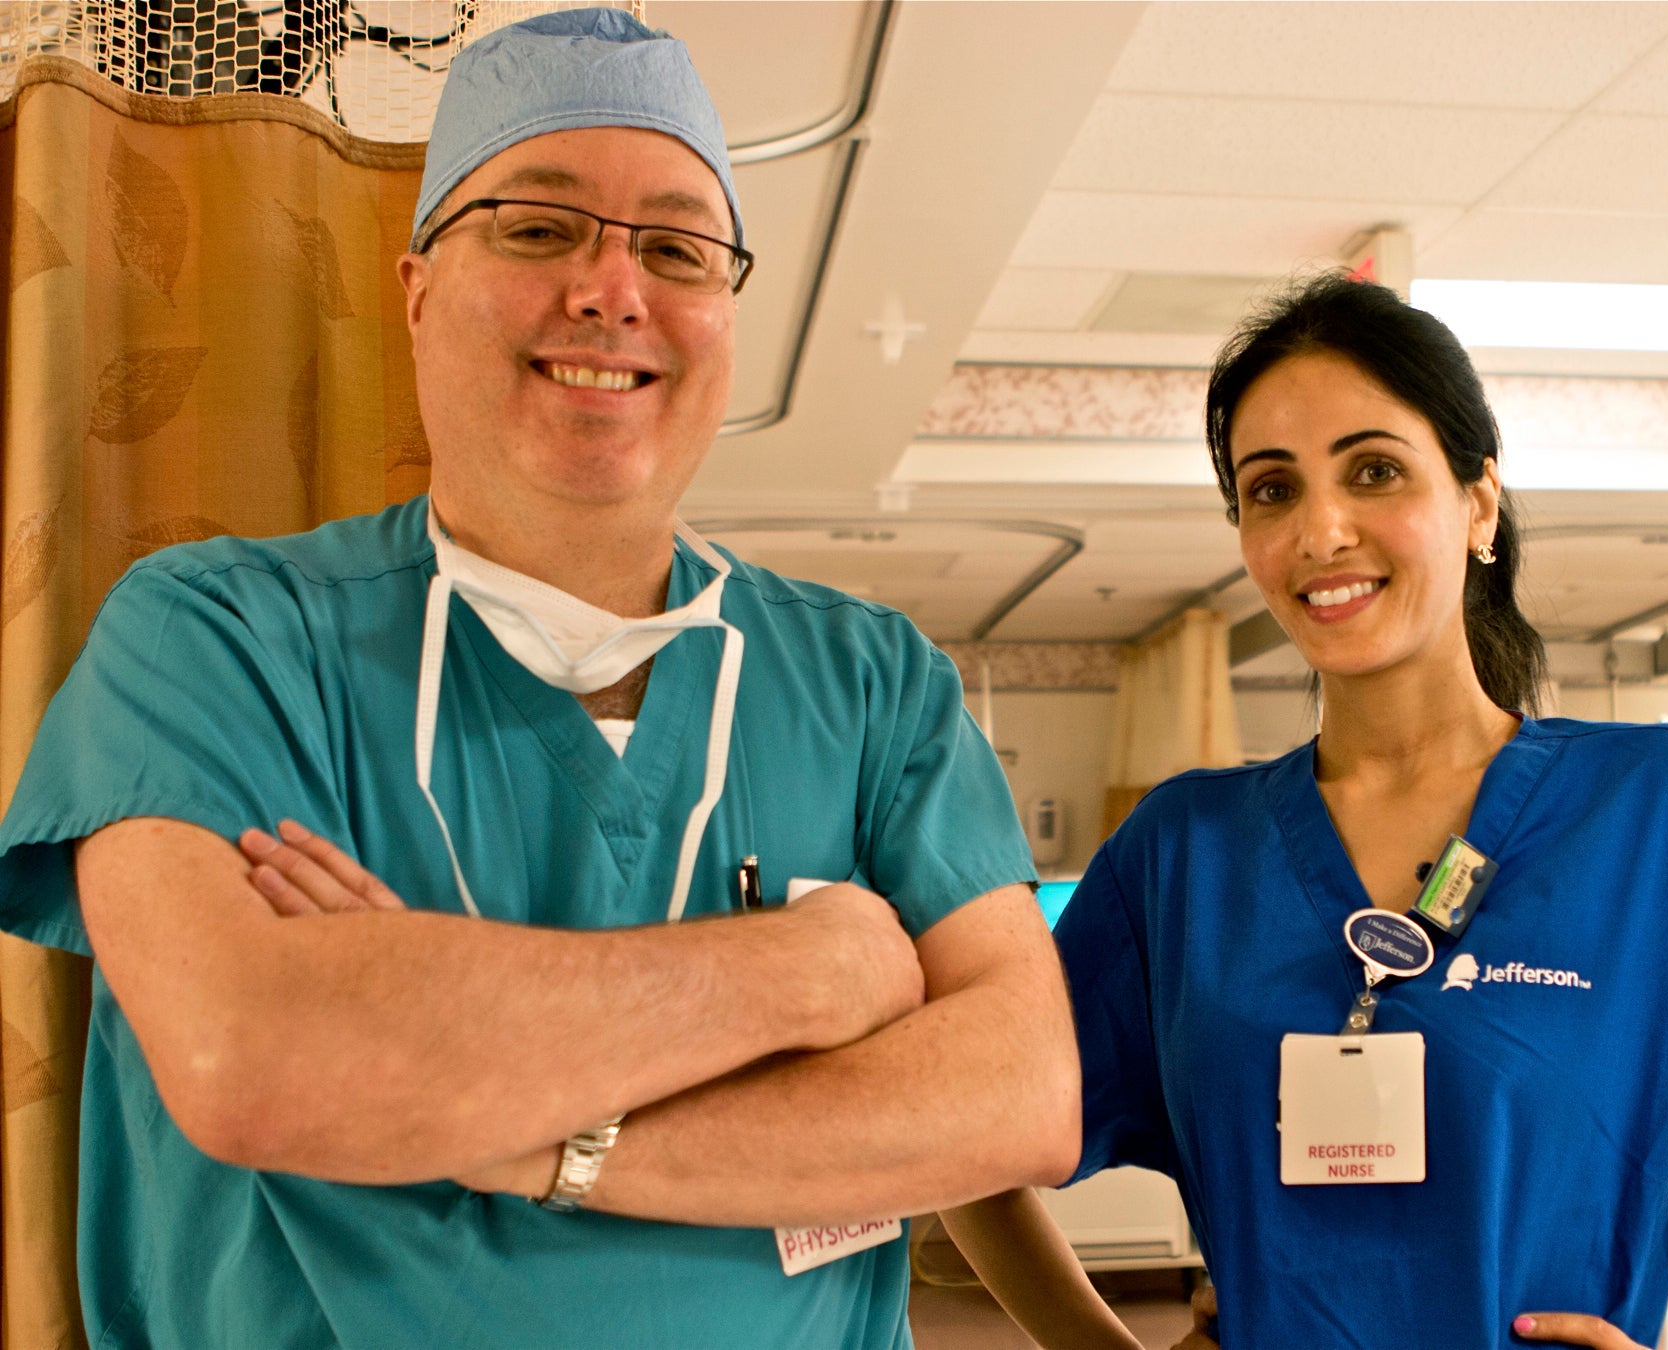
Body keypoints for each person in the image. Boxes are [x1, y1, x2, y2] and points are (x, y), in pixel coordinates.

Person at [0, 10, 1076, 1348]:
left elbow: (1016, 1099)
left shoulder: (875, 687)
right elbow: (248, 1057)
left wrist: (507, 1126)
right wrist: (812, 968)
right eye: (537, 226)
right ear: (416, 288)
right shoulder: (214, 640)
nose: (611, 288)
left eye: (677, 248)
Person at [940, 276, 1668, 1350]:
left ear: (1477, 503)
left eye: (1375, 470)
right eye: (1272, 487)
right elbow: (961, 1139)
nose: (1321, 529)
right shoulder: (1183, 858)